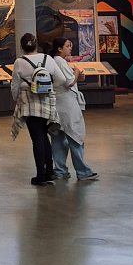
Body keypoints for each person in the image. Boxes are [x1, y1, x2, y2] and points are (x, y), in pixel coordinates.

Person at [11, 32, 67, 186]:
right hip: (47, 102)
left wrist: (17, 99)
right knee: (44, 136)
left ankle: (40, 175)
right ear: (36, 45)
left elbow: (15, 86)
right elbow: (61, 79)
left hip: (29, 103)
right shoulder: (48, 59)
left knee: (37, 138)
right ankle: (50, 171)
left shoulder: (19, 62)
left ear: (22, 47)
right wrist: (47, 87)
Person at [49, 38, 98, 181]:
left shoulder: (54, 61)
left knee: (58, 139)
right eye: (67, 46)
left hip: (58, 105)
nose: (70, 48)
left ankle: (60, 170)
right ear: (59, 49)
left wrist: (77, 77)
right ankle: (82, 171)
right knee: (75, 137)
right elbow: (70, 82)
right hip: (67, 106)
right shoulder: (60, 61)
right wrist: (76, 72)